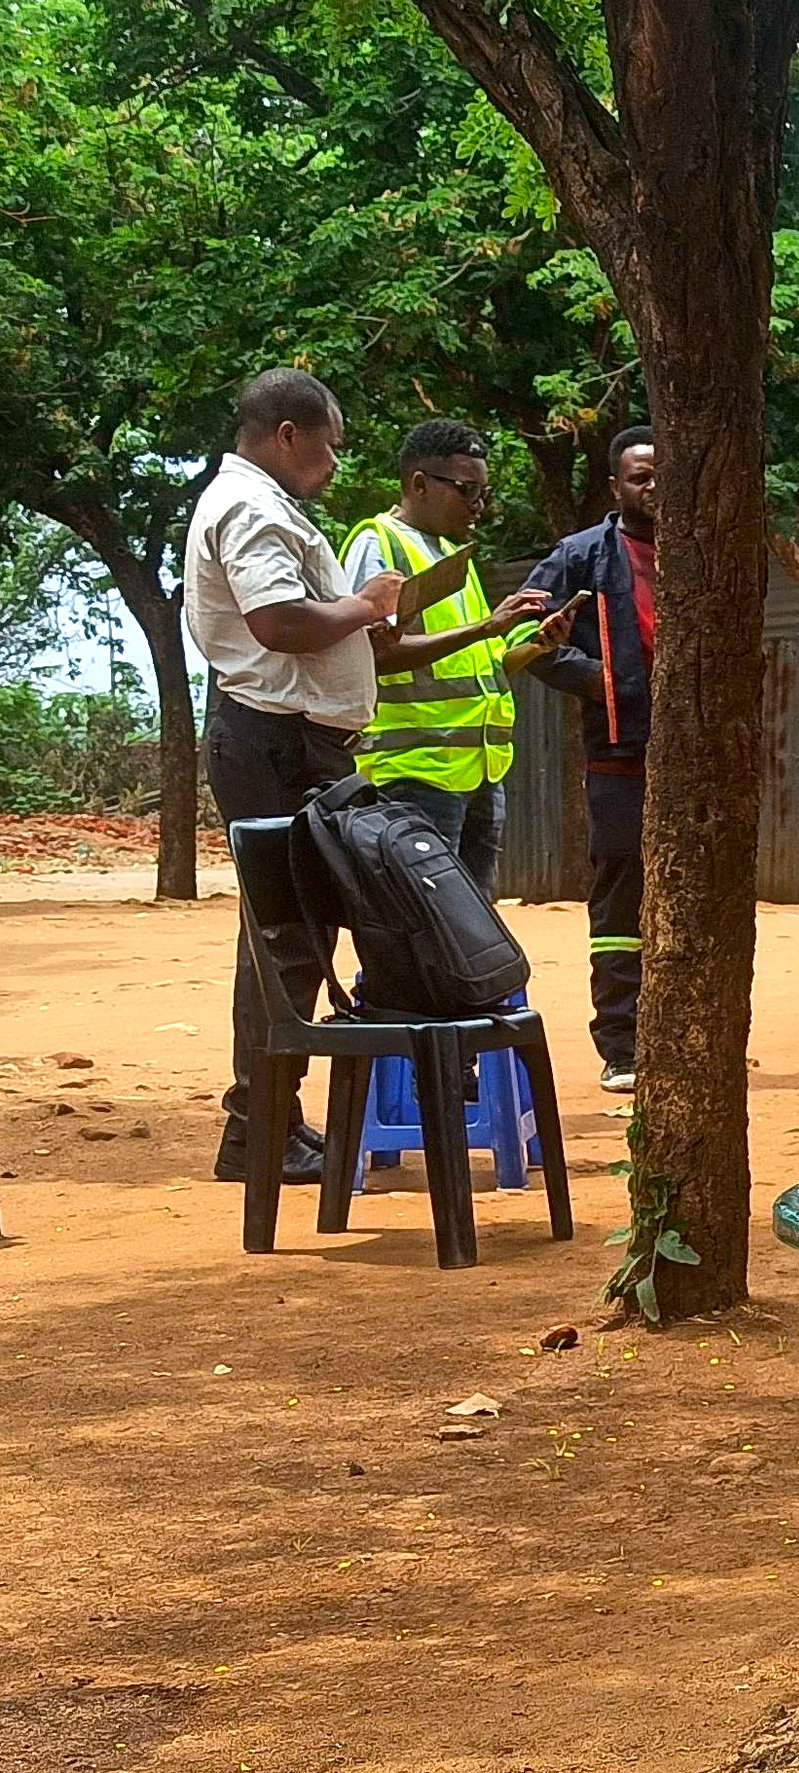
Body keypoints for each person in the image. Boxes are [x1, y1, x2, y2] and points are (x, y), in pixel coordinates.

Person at [186, 368, 404, 1183]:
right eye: (331, 446)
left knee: (295, 939)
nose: (335, 465)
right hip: (274, 744)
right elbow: (276, 622)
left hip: (289, 741)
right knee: (286, 941)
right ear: (289, 434)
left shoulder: (263, 505)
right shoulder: (247, 506)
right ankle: (260, 1130)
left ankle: (270, 1123)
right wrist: (368, 604)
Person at [338, 421, 557, 892]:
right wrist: (486, 626)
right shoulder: (380, 544)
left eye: (484, 491)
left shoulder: (454, 557)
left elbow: (483, 667)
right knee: (421, 923)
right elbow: (369, 656)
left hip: (477, 774)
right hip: (412, 775)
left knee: (469, 928)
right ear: (419, 484)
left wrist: (535, 644)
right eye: (467, 490)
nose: (479, 505)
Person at [518, 426, 658, 1094]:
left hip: (692, 763)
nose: (653, 487)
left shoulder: (702, 555)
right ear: (615, 486)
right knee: (619, 903)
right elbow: (523, 639)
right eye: (640, 476)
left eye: (663, 474)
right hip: (618, 756)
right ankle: (621, 1043)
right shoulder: (582, 555)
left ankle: (676, 1032)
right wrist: (606, 678)